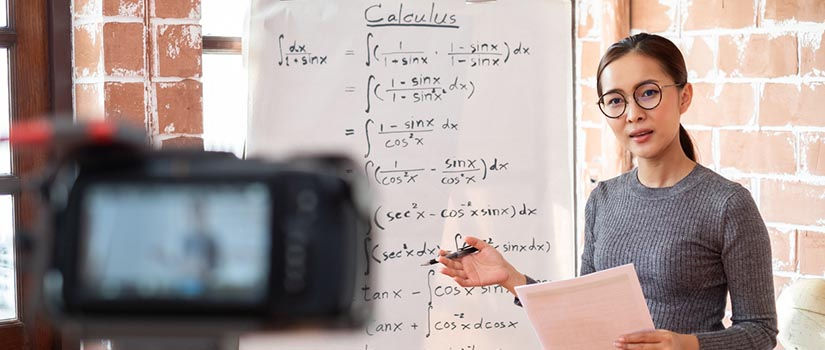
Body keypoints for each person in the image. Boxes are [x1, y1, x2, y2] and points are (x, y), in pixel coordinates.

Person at [438, 33, 777, 350]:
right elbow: (582, 312)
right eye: (616, 100)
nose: (633, 114)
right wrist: (511, 278)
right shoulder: (604, 199)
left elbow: (761, 330)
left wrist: (683, 344)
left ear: (683, 96)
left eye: (648, 93)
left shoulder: (728, 204)